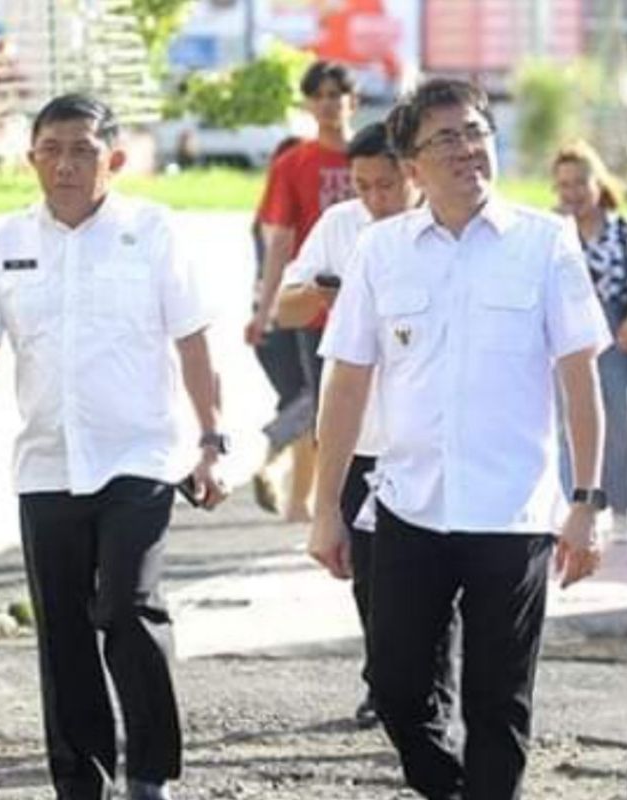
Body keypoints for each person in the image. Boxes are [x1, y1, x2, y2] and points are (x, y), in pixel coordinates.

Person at [308, 78, 610, 800]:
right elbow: (346, 385)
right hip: (411, 506)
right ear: (412, 165)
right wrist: (326, 507)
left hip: (513, 514)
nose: (466, 148)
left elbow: (579, 378)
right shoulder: (381, 252)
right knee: (397, 688)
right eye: (444, 138)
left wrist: (587, 502)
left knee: (498, 702)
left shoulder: (545, 244)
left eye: (476, 132)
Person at [0, 94, 228, 800]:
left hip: (142, 459)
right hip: (47, 464)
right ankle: (80, 783)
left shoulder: (153, 232)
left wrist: (212, 440)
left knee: (128, 608)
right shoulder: (6, 242)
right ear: (31, 156)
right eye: (51, 149)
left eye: (83, 150)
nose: (65, 164)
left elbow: (193, 340)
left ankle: (149, 772)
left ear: (113, 160)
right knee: (62, 636)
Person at [274, 121, 424, 728]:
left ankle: (432, 687)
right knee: (370, 576)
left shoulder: (437, 232)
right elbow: (284, 308)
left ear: (413, 174)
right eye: (362, 187)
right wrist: (320, 293)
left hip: (423, 438)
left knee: (439, 577)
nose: (374, 199)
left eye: (386, 185)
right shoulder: (341, 226)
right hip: (360, 435)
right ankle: (385, 681)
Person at [246, 60, 358, 522]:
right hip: (315, 310)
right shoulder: (294, 164)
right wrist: (266, 307)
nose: (330, 103)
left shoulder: (378, 157)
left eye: (338, 94)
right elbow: (279, 241)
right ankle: (308, 500)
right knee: (322, 403)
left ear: (353, 100)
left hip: (379, 304)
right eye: (321, 95)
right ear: (310, 104)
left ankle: (303, 495)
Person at [552, 140, 627, 539]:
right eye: (564, 185)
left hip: (616, 326)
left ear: (597, 183)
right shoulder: (552, 232)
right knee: (568, 421)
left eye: (580, 182)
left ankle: (620, 507)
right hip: (566, 331)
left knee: (620, 419)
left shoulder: (624, 228)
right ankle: (575, 505)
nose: (573, 192)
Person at [248, 134, 306, 514]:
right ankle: (274, 464)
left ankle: (292, 490)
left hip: (265, 318)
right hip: (288, 314)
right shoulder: (293, 218)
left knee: (299, 401)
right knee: (314, 399)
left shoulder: (261, 218)